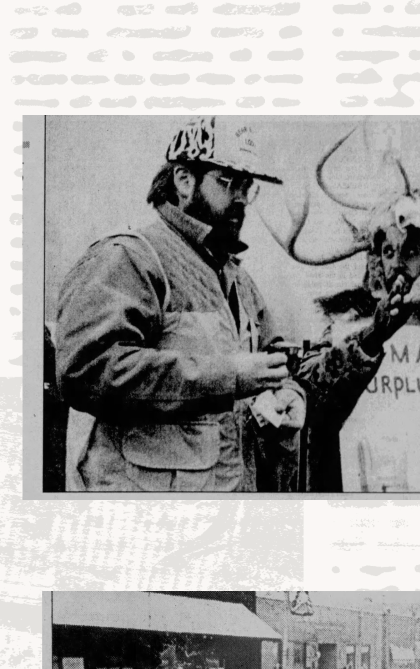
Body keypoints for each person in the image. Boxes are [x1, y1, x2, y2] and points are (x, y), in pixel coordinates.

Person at [52, 118, 300, 492]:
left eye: (247, 187)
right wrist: (227, 376)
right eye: (228, 182)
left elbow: (273, 358)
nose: (241, 199)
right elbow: (83, 371)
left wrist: (288, 393)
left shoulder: (239, 280)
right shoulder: (130, 258)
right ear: (184, 180)